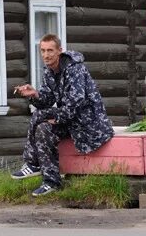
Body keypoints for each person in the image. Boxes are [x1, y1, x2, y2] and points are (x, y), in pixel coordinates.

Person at [12, 33, 114, 196]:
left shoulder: (74, 68)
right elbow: (46, 100)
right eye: (43, 51)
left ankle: (33, 163)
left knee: (40, 116)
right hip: (70, 121)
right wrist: (34, 95)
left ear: (60, 50)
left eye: (50, 50)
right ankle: (51, 182)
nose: (46, 55)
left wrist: (58, 118)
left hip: (89, 124)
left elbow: (77, 101)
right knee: (43, 129)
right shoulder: (50, 72)